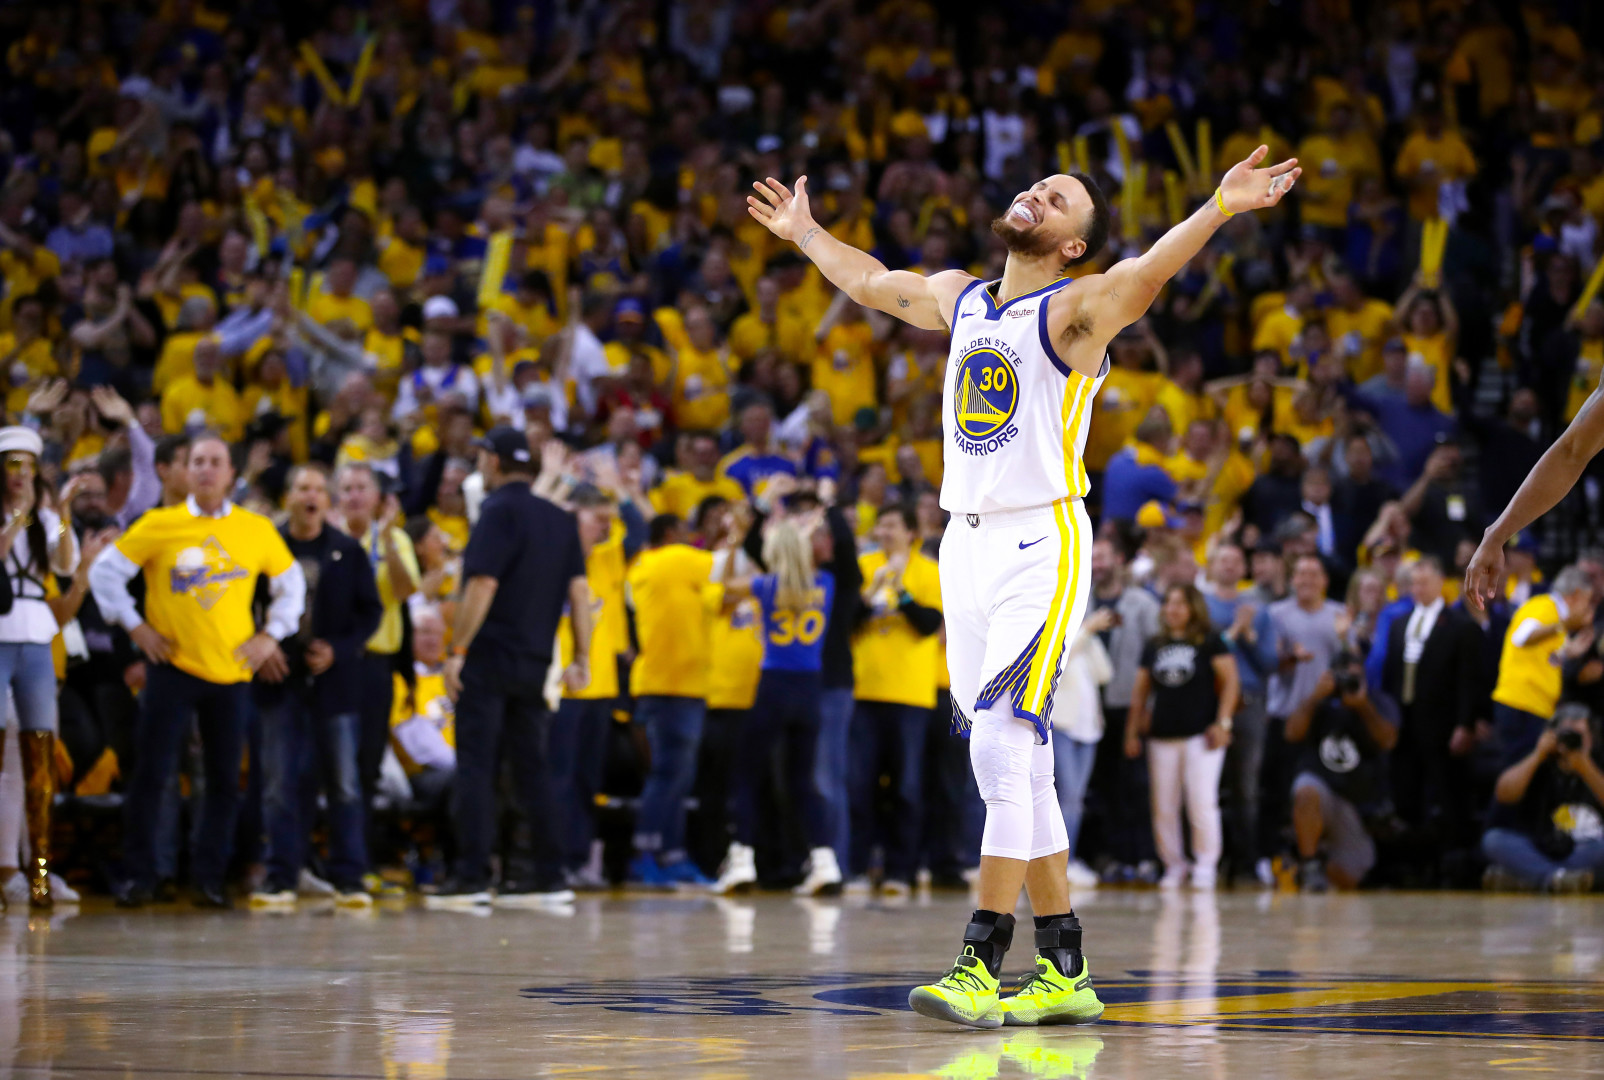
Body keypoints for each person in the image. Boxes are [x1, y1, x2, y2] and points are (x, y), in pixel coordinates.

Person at [747, 144, 1300, 1027]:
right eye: (1038, 185)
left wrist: (1220, 209)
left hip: (1042, 541)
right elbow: (873, 282)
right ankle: (1068, 966)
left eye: (1059, 198)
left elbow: (1149, 274)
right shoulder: (962, 294)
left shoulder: (1079, 309)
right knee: (1014, 764)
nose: (1036, 194)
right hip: (959, 547)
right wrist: (809, 232)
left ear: (1074, 245)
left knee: (1005, 746)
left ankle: (980, 959)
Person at [89, 434, 306, 907]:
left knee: (226, 781)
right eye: (197, 462)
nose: (205, 469)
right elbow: (104, 573)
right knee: (152, 775)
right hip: (171, 668)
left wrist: (271, 636)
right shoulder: (160, 524)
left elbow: (293, 585)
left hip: (232, 672)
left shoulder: (256, 529)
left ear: (231, 473)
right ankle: (143, 875)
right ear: (184, 471)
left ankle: (209, 879)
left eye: (215, 462)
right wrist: (136, 627)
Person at [429, 428, 588, 907]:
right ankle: (548, 874)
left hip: (491, 657)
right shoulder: (561, 519)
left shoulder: (497, 510)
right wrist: (581, 656)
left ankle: (472, 874)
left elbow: (481, 585)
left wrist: (457, 651)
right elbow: (579, 593)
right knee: (532, 769)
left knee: (477, 766)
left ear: (494, 462)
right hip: (535, 662)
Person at [249, 465, 382, 909]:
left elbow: (371, 614)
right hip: (278, 678)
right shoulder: (264, 548)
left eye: (319, 490)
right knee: (278, 783)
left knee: (345, 783)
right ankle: (281, 875)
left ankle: (350, 877)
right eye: (303, 487)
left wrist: (339, 650)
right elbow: (244, 605)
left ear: (329, 501)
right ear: (288, 496)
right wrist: (263, 648)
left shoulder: (347, 549)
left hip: (335, 683)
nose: (312, 496)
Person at [713, 518, 836, 893]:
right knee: (803, 781)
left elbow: (721, 588)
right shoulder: (826, 585)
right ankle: (824, 861)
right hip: (810, 691)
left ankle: (741, 860)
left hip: (774, 687)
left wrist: (736, 545)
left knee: (748, 776)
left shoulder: (764, 586)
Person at [0, 427, 85, 907]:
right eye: (12, 466)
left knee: (40, 755)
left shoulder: (45, 516)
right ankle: (5, 869)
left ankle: (40, 873)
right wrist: (16, 519)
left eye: (28, 467)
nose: (21, 475)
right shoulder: (15, 517)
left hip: (34, 631)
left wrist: (63, 513)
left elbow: (66, 563)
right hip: (1, 629)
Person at [625, 513, 724, 887]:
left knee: (678, 777)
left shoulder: (658, 571)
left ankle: (670, 853)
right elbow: (729, 566)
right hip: (670, 687)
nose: (691, 539)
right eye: (684, 533)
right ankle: (648, 854)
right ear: (670, 535)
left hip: (680, 687)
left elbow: (719, 593)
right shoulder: (673, 560)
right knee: (668, 774)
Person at [849, 504, 942, 896]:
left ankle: (899, 871)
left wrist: (901, 593)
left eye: (891, 525)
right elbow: (848, 621)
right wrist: (871, 593)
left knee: (906, 788)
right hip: (864, 691)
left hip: (910, 695)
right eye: (881, 525)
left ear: (910, 531)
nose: (883, 532)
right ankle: (855, 867)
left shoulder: (928, 571)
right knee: (859, 784)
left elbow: (929, 626)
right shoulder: (862, 566)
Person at [1124, 583, 1240, 890]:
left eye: (1180, 603)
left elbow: (1231, 682)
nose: (1173, 609)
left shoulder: (1210, 640)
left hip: (1201, 737)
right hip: (1162, 737)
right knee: (1163, 806)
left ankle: (1205, 865)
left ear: (1193, 608)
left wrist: (1223, 723)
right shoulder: (1155, 644)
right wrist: (1131, 732)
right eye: (1169, 603)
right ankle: (1173, 865)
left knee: (1201, 802)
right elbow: (1140, 693)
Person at [335, 462, 420, 859]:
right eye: (347, 488)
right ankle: (331, 856)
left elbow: (404, 590)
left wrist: (385, 540)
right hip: (334, 663)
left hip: (375, 666)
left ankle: (358, 859)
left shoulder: (395, 539)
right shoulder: (328, 538)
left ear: (377, 498)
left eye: (361, 488)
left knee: (367, 764)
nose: (354, 495)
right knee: (332, 765)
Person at [1285, 651, 1398, 891]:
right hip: (1322, 787)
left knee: (1349, 877)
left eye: (1355, 678)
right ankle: (1308, 864)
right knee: (1306, 791)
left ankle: (1309, 863)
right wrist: (1314, 697)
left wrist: (1363, 706)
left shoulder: (1377, 701)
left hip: (1355, 802)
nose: (1349, 683)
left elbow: (1388, 741)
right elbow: (1292, 734)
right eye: (1343, 678)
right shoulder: (1318, 702)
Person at [1482, 703, 1604, 893]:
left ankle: (1532, 878)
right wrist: (1538, 755)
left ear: (1592, 737)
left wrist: (1584, 766)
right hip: (1540, 845)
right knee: (1494, 840)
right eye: (1567, 734)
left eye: (1580, 735)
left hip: (1584, 850)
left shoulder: (1597, 762)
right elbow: (1504, 795)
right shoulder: (1539, 759)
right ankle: (1557, 878)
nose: (1573, 740)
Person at [1488, 566, 1596, 760]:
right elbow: (1521, 637)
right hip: (1521, 706)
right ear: (1577, 595)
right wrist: (1563, 626)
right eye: (1587, 602)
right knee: (1517, 773)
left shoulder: (1554, 618)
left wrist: (1569, 653)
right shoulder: (1544, 606)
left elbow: (1547, 658)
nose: (1587, 609)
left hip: (1534, 706)